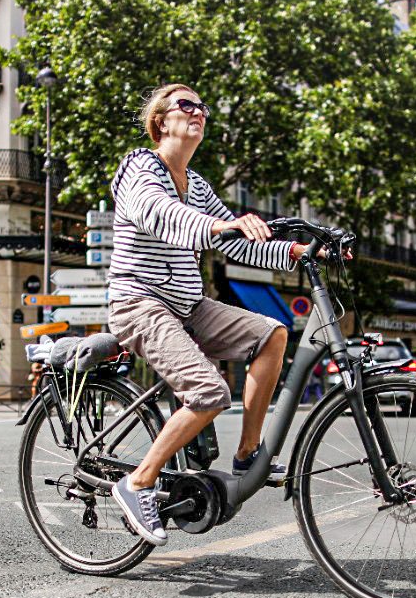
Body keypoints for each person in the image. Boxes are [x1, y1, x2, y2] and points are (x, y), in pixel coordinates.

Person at [103, 84, 326, 546]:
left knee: (272, 334)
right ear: (161, 121)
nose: (198, 112)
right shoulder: (139, 168)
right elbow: (158, 214)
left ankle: (247, 453)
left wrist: (297, 252)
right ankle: (138, 481)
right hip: (139, 302)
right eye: (186, 105)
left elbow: (234, 241)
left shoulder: (198, 184)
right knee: (209, 392)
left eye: (203, 107)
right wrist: (219, 223)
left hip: (188, 304)